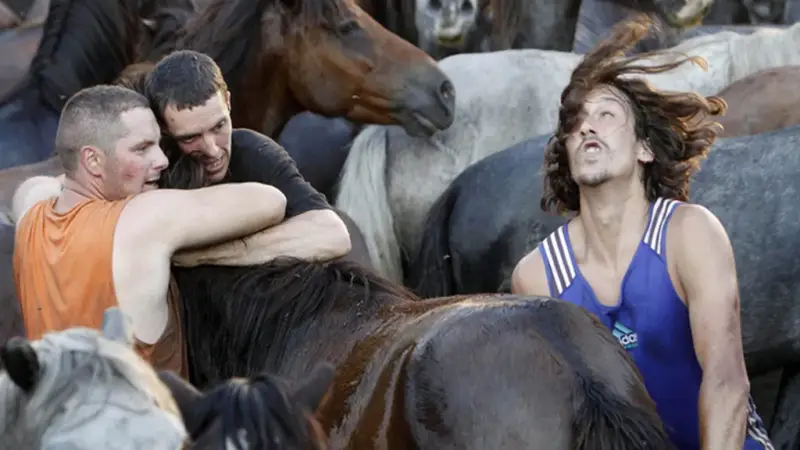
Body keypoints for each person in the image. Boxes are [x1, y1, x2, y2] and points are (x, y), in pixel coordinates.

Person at [510, 16, 772, 450]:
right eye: (575, 123)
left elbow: (727, 382)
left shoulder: (689, 233)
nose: (587, 127)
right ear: (566, 151)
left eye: (606, 114)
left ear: (644, 149)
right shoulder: (537, 276)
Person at [12, 85, 289, 379]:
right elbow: (271, 201)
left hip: (57, 417)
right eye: (141, 149)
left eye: (158, 144)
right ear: (92, 161)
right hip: (144, 422)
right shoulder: (141, 220)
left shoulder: (29, 208)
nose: (163, 160)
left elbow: (45, 184)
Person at [142, 49, 351, 267]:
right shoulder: (153, 170)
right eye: (190, 138)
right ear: (163, 129)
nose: (213, 150)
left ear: (228, 102)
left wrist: (208, 256)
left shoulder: (253, 151)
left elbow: (333, 234)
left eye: (219, 126)